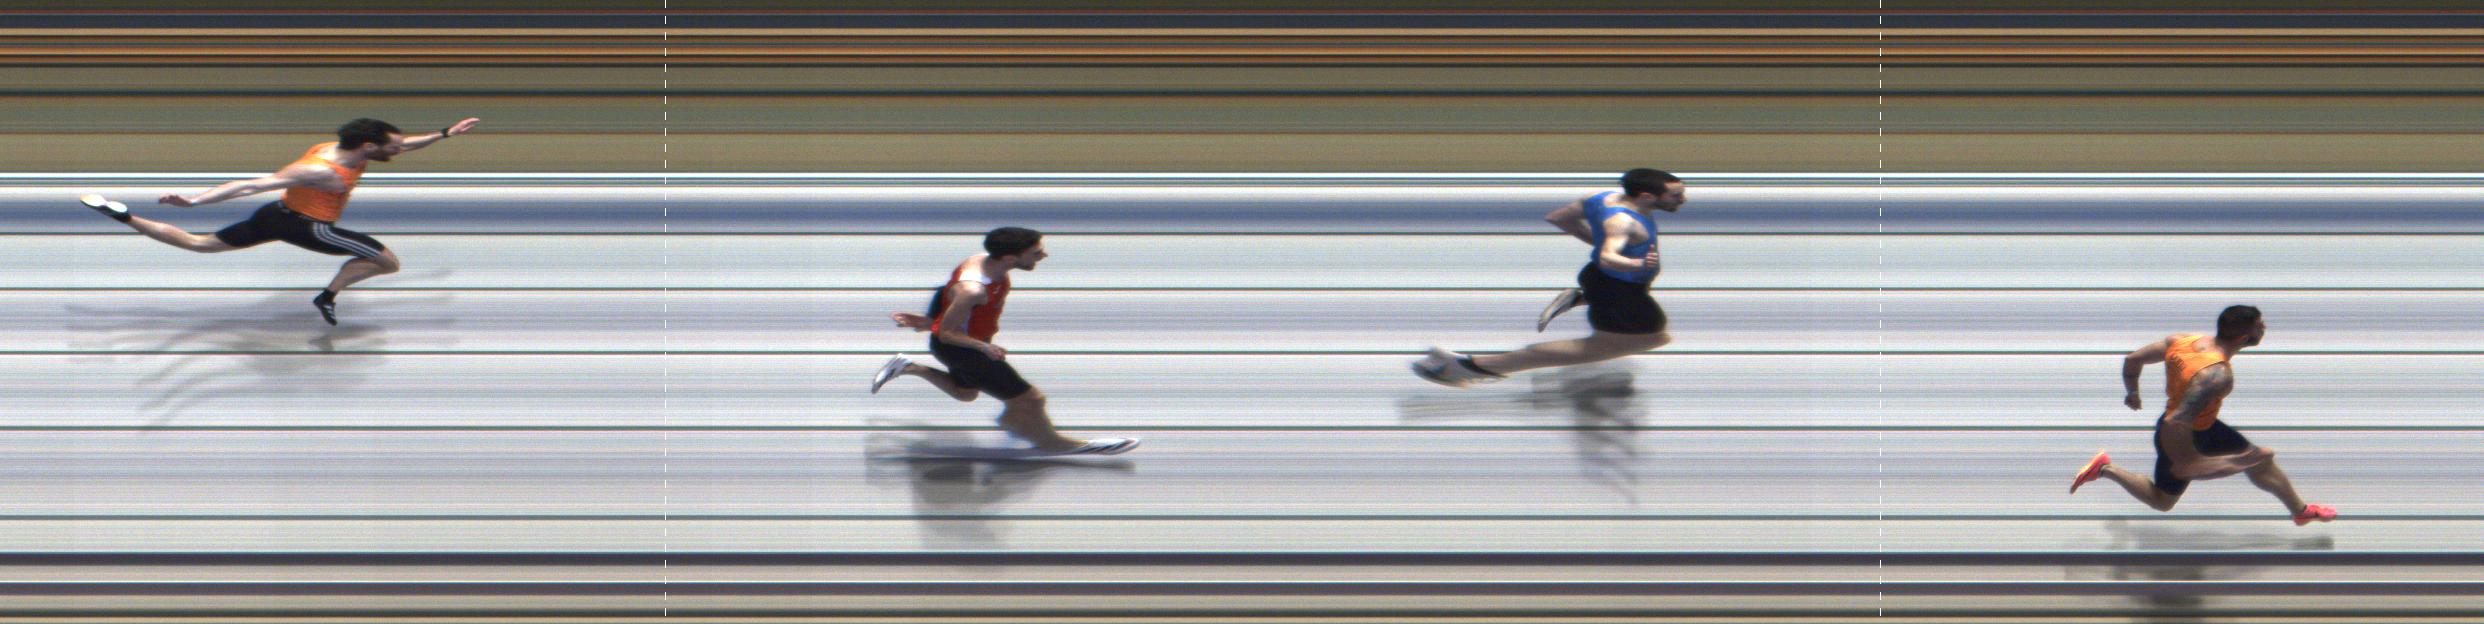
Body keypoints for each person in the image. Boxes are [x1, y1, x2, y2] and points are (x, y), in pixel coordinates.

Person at [79, 117, 480, 324]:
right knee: (388, 263)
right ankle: (327, 296)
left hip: (275, 215)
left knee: (200, 244)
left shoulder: (342, 147)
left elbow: (406, 145)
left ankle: (123, 215)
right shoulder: (320, 170)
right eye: (391, 146)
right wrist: (195, 201)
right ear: (368, 146)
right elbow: (252, 184)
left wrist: (445, 133)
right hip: (309, 226)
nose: (399, 149)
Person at [870, 227, 1139, 456]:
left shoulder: (981, 262)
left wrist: (930, 319)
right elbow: (947, 332)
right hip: (964, 350)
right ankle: (1055, 444)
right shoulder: (973, 289)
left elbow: (944, 293)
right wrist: (983, 346)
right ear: (1010, 257)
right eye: (1036, 252)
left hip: (962, 346)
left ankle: (908, 367)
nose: (1043, 255)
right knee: (1031, 399)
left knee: (965, 393)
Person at [1415, 168, 1683, 387]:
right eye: (1675, 195)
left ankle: (1583, 297)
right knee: (1646, 339)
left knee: (1633, 339)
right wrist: (1638, 262)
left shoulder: (1602, 198)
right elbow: (1607, 257)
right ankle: (1469, 366)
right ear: (1646, 196)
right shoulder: (1624, 222)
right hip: (1621, 293)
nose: (1682, 200)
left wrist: (1597, 242)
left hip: (1600, 280)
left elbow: (1559, 218)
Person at [2071, 305, 2336, 525]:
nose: (2264, 327)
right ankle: (2105, 469)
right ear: (2244, 338)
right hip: (2180, 435)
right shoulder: (2216, 376)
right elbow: (2178, 430)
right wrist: (2230, 462)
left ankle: (2300, 511)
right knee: (2162, 501)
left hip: (2205, 426)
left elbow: (2132, 360)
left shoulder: (2182, 341)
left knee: (2262, 463)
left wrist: (2133, 393)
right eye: (2259, 325)